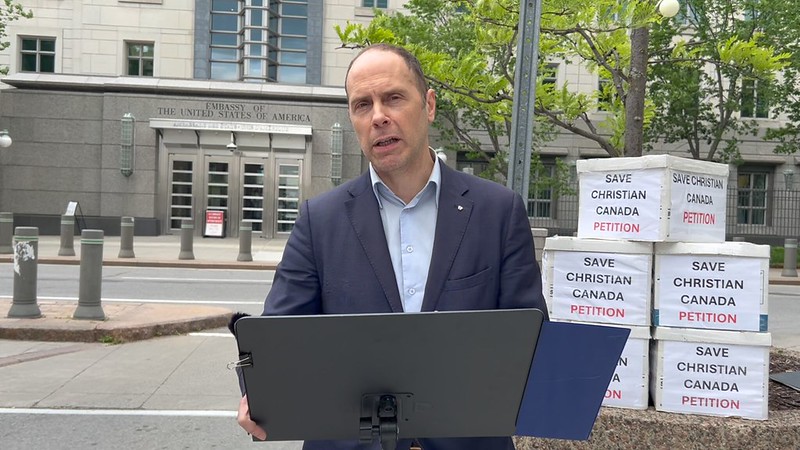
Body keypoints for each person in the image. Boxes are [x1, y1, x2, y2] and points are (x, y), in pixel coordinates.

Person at [236, 43, 548, 450]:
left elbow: (531, 340)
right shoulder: (319, 220)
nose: (378, 116)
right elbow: (277, 339)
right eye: (362, 105)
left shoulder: (498, 212)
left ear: (429, 105)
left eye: (394, 98)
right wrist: (258, 393)